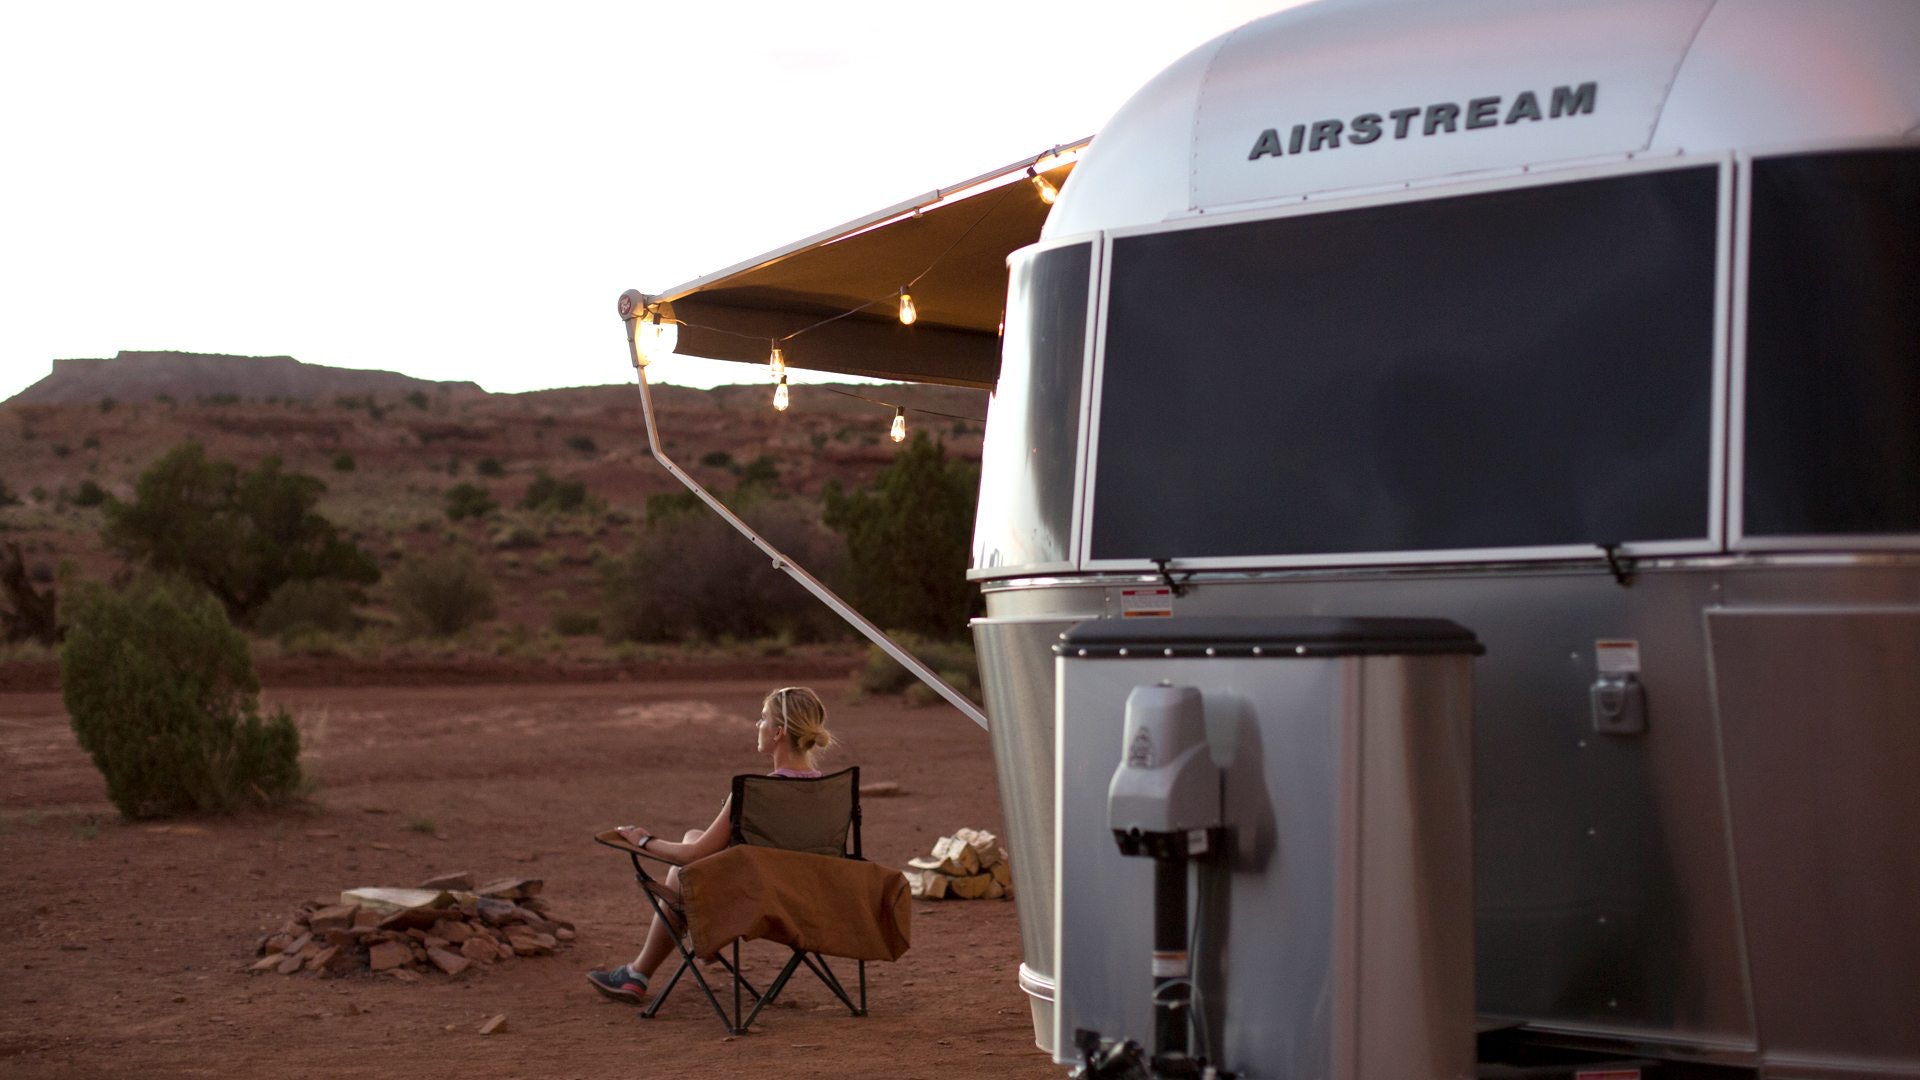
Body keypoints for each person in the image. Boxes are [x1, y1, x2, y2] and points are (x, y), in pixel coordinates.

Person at [586, 685, 834, 1003]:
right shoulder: (828, 791)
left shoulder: (754, 792)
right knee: (692, 840)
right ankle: (641, 971)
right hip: (808, 900)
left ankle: (641, 972)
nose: (757, 726)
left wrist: (644, 840)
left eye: (763, 719)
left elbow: (693, 855)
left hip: (753, 904)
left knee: (683, 868)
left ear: (779, 733)